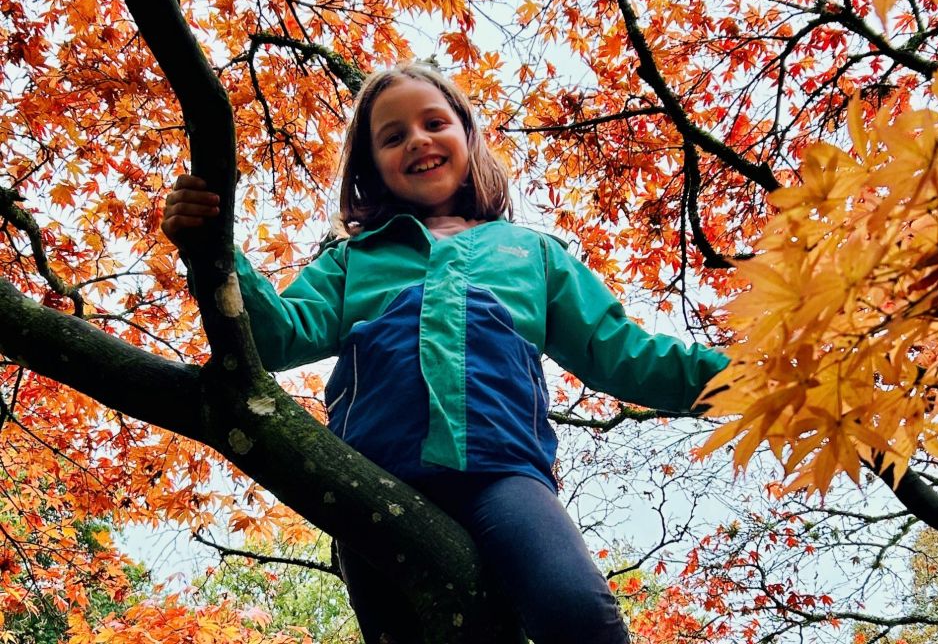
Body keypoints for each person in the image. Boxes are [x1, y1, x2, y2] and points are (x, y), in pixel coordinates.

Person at [162, 62, 729, 644]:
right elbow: (275, 335)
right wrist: (212, 246)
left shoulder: (529, 253)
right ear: (371, 169)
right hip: (370, 485)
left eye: (435, 122)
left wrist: (748, 378)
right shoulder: (354, 259)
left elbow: (625, 354)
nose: (418, 140)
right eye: (393, 135)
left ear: (467, 137)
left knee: (578, 613)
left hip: (503, 478)